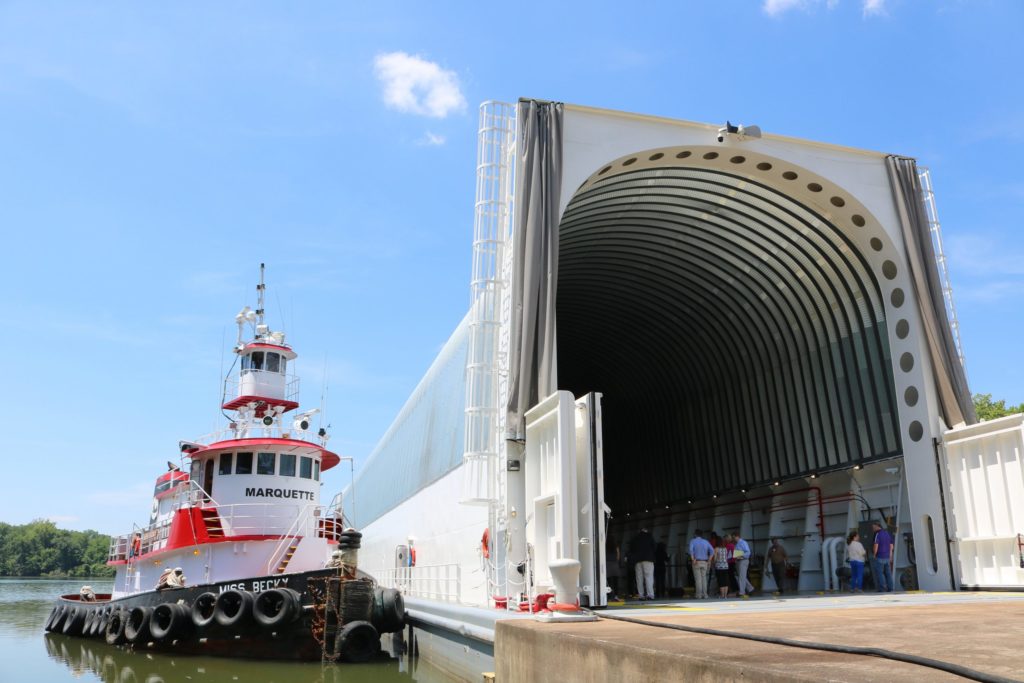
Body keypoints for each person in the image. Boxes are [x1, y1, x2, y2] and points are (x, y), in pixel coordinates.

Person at [630, 527, 656, 600]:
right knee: (649, 577)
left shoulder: (635, 538)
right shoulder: (649, 536)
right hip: (648, 559)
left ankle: (641, 595)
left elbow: (631, 549)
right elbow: (654, 547)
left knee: (639, 578)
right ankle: (650, 595)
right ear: (646, 531)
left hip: (638, 560)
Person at [688, 530, 714, 599]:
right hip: (705, 562)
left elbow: (691, 551)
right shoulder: (706, 542)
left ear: (695, 535)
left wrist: (693, 559)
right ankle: (705, 595)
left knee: (698, 579)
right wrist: (709, 560)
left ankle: (698, 595)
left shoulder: (693, 541)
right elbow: (712, 551)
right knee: (704, 579)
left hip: (696, 562)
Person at [872, 521, 895, 592]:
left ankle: (882, 588)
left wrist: (874, 554)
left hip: (880, 557)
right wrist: (890, 556)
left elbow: (876, 546)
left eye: (873, 527)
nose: (872, 529)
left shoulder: (877, 534)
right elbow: (891, 546)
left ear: (877, 526)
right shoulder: (887, 533)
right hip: (887, 557)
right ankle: (890, 588)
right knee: (888, 573)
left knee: (880, 573)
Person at [606, 536, 623, 601]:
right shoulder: (616, 546)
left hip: (607, 564)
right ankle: (616, 596)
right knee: (616, 581)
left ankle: (609, 596)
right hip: (614, 564)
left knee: (608, 582)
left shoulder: (605, 546)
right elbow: (618, 555)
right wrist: (616, 560)